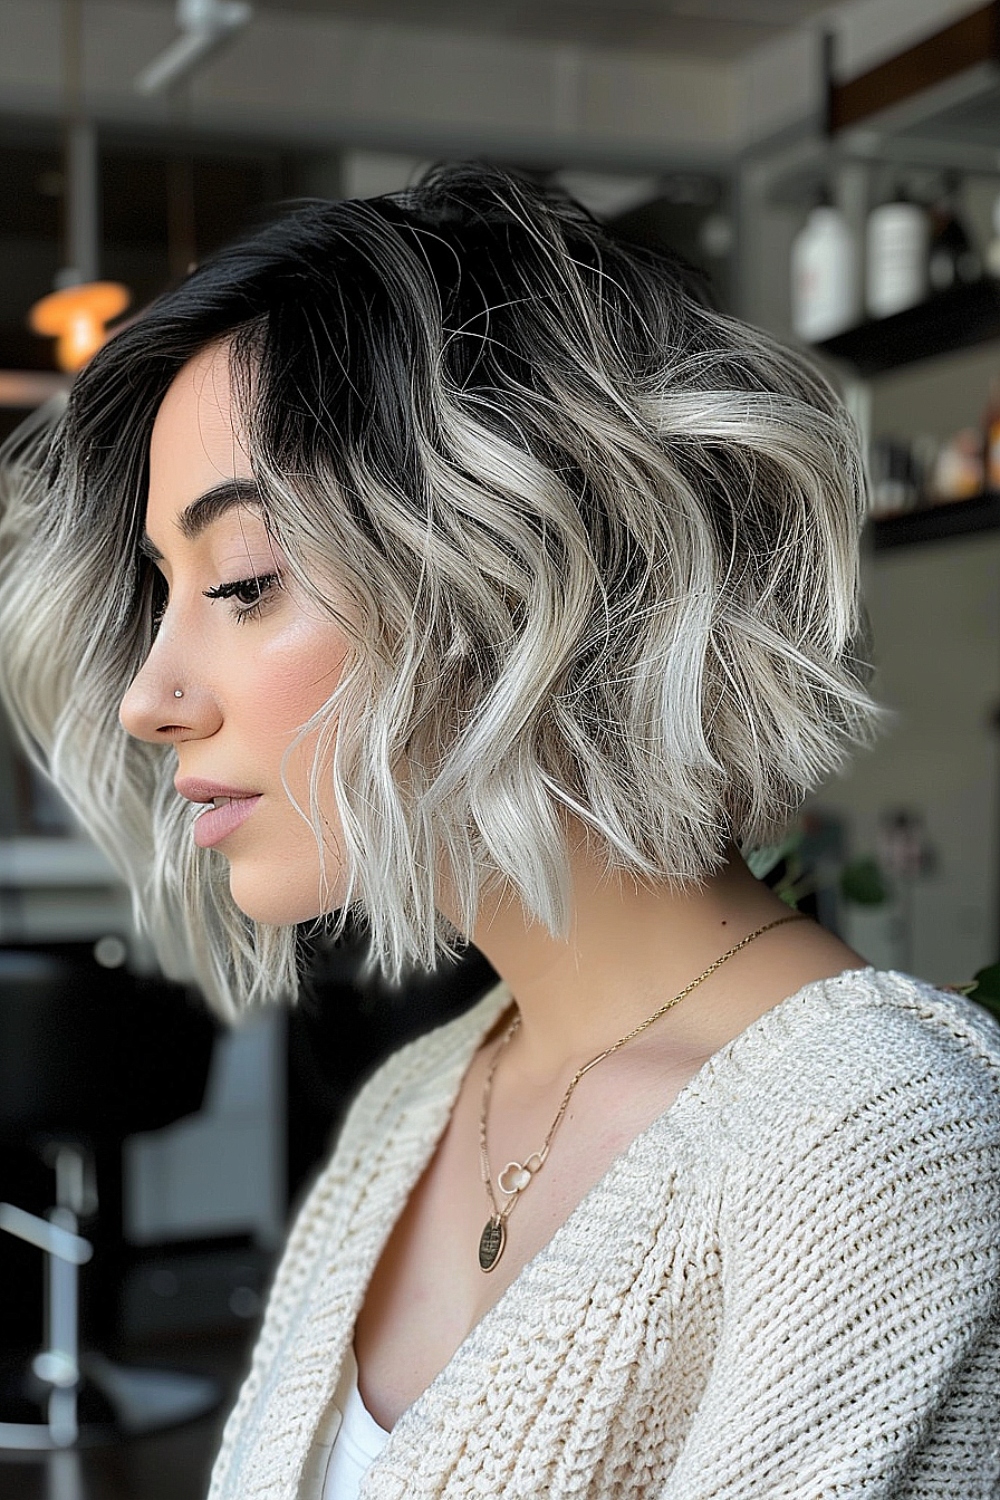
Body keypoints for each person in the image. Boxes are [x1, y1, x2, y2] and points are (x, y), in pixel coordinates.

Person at [1, 164, 998, 1499]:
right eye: (163, 592)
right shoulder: (415, 1111)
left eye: (242, 582)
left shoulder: (883, 1157)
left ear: (518, 573)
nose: (148, 698)